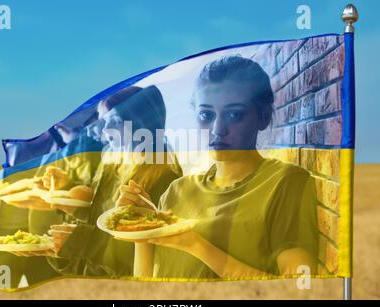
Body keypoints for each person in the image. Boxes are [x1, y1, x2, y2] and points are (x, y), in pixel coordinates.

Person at [119, 56, 318, 279]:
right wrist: (142, 225)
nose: (218, 129)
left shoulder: (286, 182)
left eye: (234, 114)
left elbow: (300, 285)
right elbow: (146, 282)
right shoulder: (176, 191)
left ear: (262, 117)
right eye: (206, 115)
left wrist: (196, 245)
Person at [47, 85, 183, 277]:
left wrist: (84, 241)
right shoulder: (113, 165)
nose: (105, 130)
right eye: (104, 121)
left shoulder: (165, 179)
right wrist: (66, 188)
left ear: (141, 124)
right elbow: (100, 218)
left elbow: (148, 254)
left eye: (115, 121)